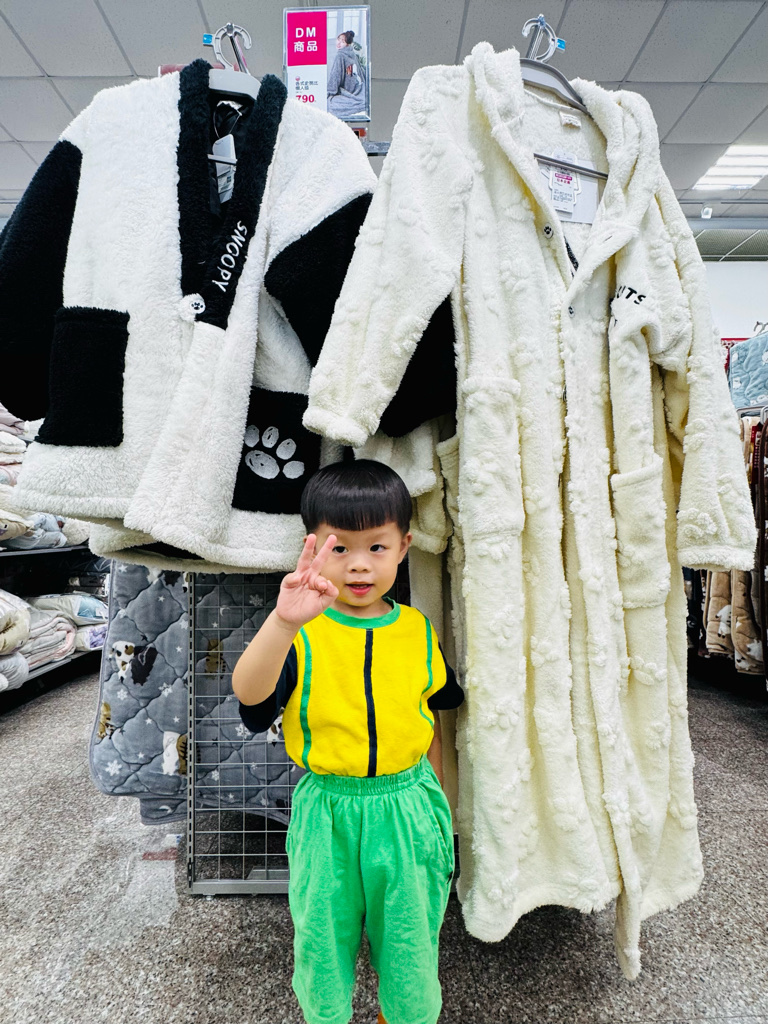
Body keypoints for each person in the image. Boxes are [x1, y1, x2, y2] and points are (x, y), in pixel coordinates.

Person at [233, 459, 464, 1024]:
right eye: (340, 548)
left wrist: (435, 804)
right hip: (327, 815)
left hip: (408, 810)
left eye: (377, 547)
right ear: (313, 547)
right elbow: (251, 700)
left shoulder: (417, 630)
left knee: (411, 947)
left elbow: (432, 718)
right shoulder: (301, 632)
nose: (360, 564)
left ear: (404, 546)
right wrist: (283, 623)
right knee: (321, 946)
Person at [327, 29, 367, 119]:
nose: (339, 43)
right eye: (338, 39)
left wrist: (330, 92)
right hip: (358, 88)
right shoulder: (352, 53)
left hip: (349, 90)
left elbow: (335, 76)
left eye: (343, 41)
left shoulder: (340, 56)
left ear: (347, 44)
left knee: (329, 104)